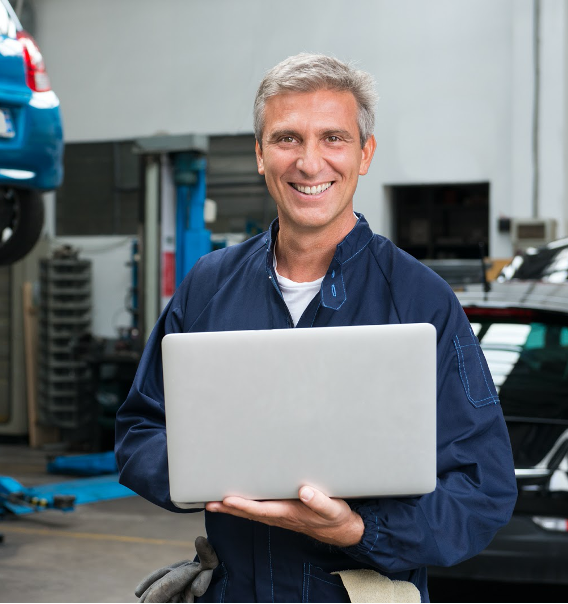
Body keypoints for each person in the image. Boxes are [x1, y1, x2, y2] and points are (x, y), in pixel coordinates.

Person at [115, 53, 517, 603]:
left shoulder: (422, 300)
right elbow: (140, 430)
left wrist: (358, 529)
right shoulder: (209, 285)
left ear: (365, 153)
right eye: (286, 139)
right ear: (259, 155)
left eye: (333, 138)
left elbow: (481, 492)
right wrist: (209, 477)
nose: (309, 163)